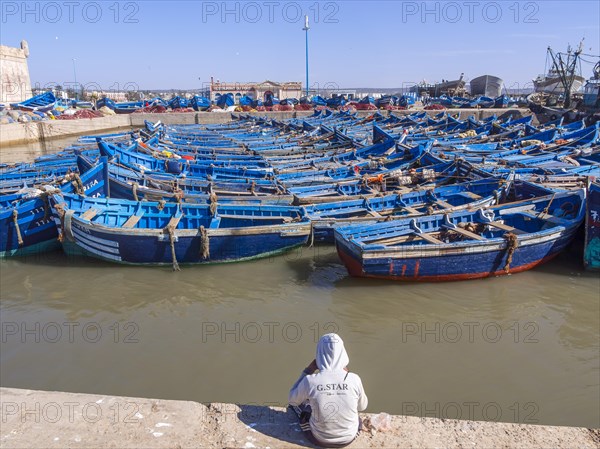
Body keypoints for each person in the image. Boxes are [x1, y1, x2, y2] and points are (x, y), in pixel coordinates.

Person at [288, 333, 368, 448]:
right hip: (349, 438)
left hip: (319, 439)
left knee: (299, 406)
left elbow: (292, 400)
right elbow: (362, 407)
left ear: (319, 353)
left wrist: (308, 370)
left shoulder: (310, 380)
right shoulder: (354, 378)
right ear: (343, 353)